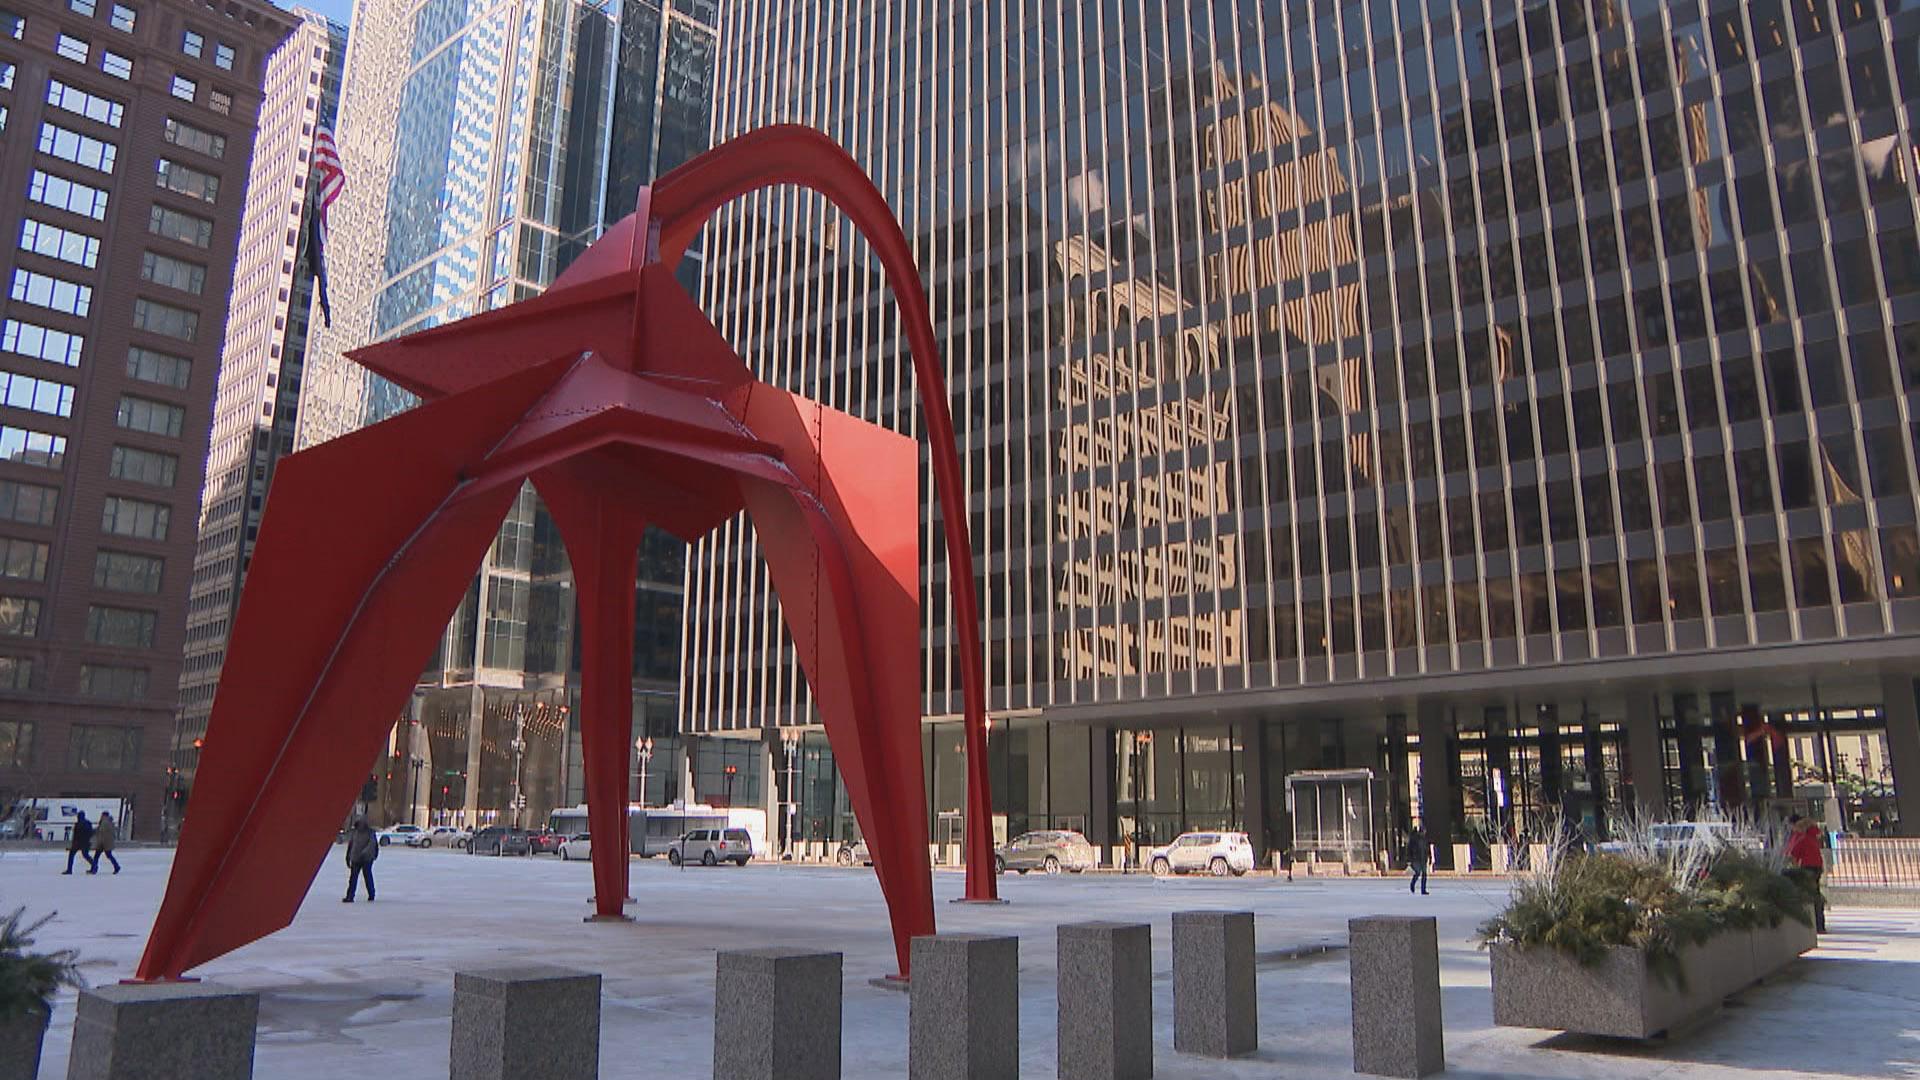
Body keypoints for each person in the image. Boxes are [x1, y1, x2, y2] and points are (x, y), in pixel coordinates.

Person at [1785, 814, 1826, 932]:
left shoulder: (1801, 837)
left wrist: (1794, 867)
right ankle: (1820, 924)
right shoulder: (1813, 836)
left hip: (1806, 868)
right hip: (1817, 867)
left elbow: (1792, 854)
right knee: (1816, 895)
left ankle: (1812, 923)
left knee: (1807, 896)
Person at [343, 819, 378, 902]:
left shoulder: (370, 833)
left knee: (367, 876)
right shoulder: (355, 832)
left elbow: (371, 845)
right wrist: (348, 857)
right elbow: (351, 845)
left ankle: (371, 894)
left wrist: (363, 854)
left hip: (367, 859)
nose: (358, 827)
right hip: (355, 858)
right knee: (353, 878)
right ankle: (350, 896)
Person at [1406, 826, 1430, 895]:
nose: (1424, 833)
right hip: (1416, 859)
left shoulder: (1425, 839)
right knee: (1418, 872)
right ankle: (1412, 884)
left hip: (1423, 859)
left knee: (1424, 874)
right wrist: (1409, 859)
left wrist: (1429, 856)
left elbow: (1427, 849)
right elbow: (1410, 849)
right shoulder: (1415, 839)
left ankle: (1423, 889)